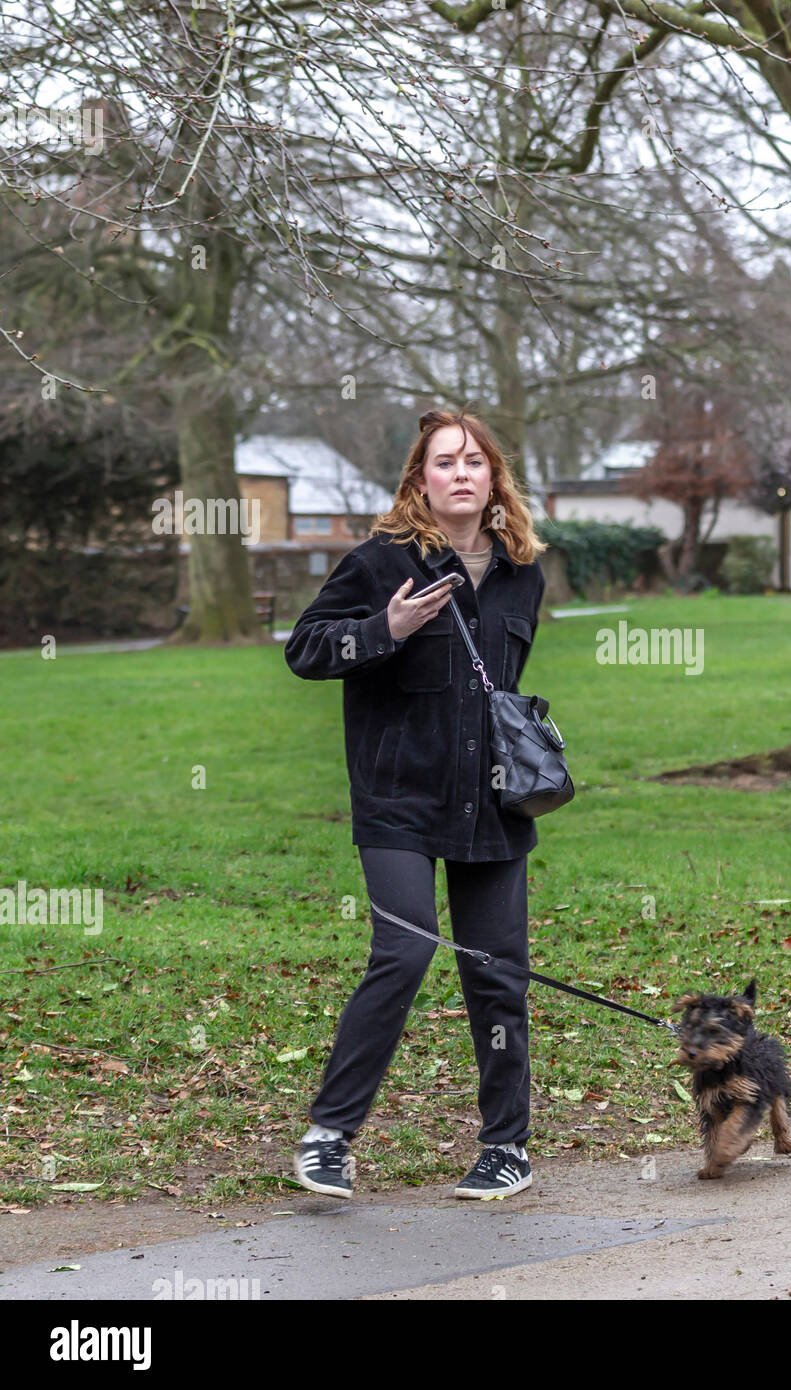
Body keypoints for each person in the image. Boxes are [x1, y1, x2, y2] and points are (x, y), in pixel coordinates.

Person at [283, 407, 547, 1200]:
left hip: (491, 802)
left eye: (475, 461)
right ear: (419, 480)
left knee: (499, 975)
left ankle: (507, 1147)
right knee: (404, 952)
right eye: (445, 463)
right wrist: (384, 627)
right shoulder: (379, 562)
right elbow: (305, 650)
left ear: (493, 477)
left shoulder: (522, 569)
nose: (462, 473)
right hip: (397, 801)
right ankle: (329, 1137)